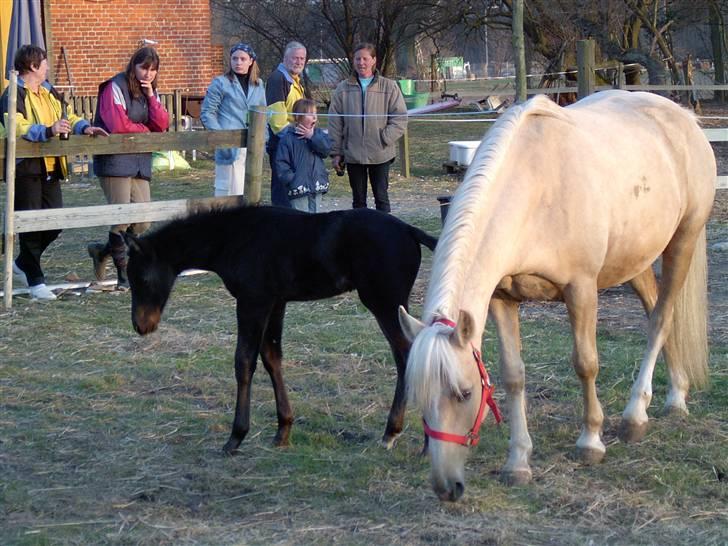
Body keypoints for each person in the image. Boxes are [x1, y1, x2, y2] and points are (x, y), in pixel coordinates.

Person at [0, 45, 107, 300]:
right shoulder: (13, 94)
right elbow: (16, 126)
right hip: (25, 168)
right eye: (44, 62)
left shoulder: (49, 92)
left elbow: (67, 115)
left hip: (51, 165)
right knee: (30, 225)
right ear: (33, 66)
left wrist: (84, 127)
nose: (47, 67)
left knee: (55, 223)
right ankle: (36, 282)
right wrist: (47, 130)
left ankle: (23, 263)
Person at [86, 47, 169, 290]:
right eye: (144, 67)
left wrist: (151, 95)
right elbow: (116, 124)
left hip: (140, 160)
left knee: (143, 220)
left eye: (153, 69)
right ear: (134, 65)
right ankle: (124, 275)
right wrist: (145, 131)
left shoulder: (149, 91)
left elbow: (162, 123)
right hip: (115, 160)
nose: (148, 73)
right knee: (121, 218)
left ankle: (101, 252)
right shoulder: (114, 87)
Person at [327, 43, 407, 213]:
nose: (361, 62)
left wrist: (383, 138)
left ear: (374, 61)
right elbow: (335, 123)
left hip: (380, 154)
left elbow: (400, 118)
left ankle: (383, 236)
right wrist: (336, 152)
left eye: (365, 58)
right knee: (358, 202)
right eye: (357, 59)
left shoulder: (389, 87)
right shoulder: (342, 89)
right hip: (353, 155)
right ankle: (360, 237)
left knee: (382, 199)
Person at [201, 42, 266, 197]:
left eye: (243, 59)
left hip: (251, 144)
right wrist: (221, 139)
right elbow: (207, 113)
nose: (238, 62)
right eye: (235, 58)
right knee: (226, 191)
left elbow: (264, 115)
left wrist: (264, 140)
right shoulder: (221, 83)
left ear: (251, 61)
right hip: (229, 146)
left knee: (248, 191)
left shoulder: (258, 84)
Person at [265, 41, 307, 207]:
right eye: (295, 58)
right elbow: (277, 121)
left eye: (302, 58)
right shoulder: (278, 78)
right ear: (285, 58)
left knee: (292, 191)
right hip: (282, 144)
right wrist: (296, 138)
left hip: (293, 143)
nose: (298, 62)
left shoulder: (294, 80)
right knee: (282, 192)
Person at [275, 98, 331, 213]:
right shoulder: (287, 139)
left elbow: (326, 150)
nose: (314, 117)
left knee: (316, 220)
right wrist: (291, 179)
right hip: (298, 189)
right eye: (310, 114)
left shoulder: (319, 134)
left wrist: (312, 137)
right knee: (301, 220)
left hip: (317, 186)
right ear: (298, 117)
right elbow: (281, 163)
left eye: (315, 113)